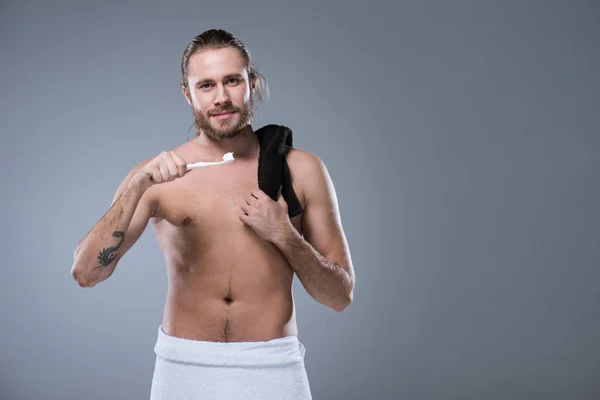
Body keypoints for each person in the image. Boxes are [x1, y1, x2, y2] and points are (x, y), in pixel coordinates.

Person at [71, 29, 355, 399]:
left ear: (252, 84)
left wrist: (285, 235)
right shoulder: (157, 176)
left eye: (232, 81)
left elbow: (339, 296)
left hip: (272, 367)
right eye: (206, 85)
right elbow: (86, 274)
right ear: (188, 93)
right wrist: (136, 186)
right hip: (183, 369)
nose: (221, 97)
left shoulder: (302, 171)